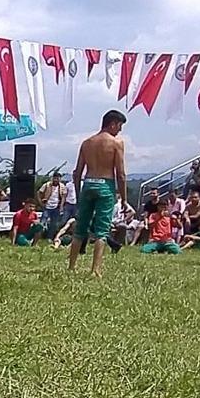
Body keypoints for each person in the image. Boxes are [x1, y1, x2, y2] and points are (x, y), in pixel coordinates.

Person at [67, 110, 128, 276]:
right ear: (112, 124)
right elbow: (121, 174)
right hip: (105, 184)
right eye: (119, 126)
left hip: (88, 183)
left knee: (80, 228)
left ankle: (71, 266)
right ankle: (95, 270)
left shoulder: (87, 143)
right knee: (102, 230)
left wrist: (78, 193)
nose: (120, 130)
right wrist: (123, 199)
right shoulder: (116, 143)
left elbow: (77, 172)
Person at [38, 171, 66, 238]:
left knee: (53, 224)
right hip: (47, 206)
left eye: (58, 178)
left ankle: (49, 237)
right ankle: (38, 236)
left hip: (56, 207)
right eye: (55, 178)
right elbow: (39, 193)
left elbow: (64, 197)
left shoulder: (62, 186)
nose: (56, 180)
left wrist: (61, 206)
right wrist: (41, 202)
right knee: (42, 222)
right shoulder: (47, 185)